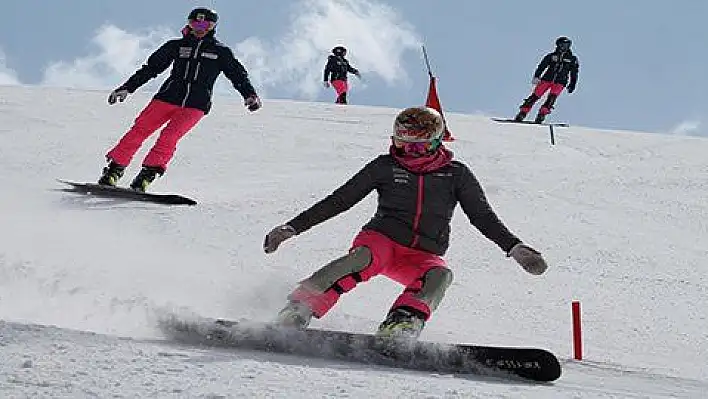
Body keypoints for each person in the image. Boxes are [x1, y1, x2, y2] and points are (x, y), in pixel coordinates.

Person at [263, 106, 548, 339]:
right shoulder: (385, 166)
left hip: (422, 253)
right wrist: (293, 227)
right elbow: (340, 200)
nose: (405, 153)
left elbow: (482, 216)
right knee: (361, 259)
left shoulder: (455, 174)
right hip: (382, 240)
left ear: (436, 142)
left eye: (415, 147)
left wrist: (515, 248)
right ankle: (297, 310)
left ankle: (401, 325)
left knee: (439, 276)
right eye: (401, 144)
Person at [98, 7, 262, 191]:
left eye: (205, 24)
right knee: (139, 131)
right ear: (189, 24)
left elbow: (237, 75)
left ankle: (146, 177)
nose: (199, 27)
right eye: (195, 23)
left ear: (212, 26)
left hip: (195, 105)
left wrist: (250, 95)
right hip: (166, 98)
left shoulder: (220, 51)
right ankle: (114, 171)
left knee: (169, 137)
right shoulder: (175, 46)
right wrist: (127, 88)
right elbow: (150, 69)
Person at [515, 36, 579, 124]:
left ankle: (541, 115)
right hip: (546, 79)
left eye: (566, 45)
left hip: (560, 82)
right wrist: (537, 76)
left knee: (551, 99)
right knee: (535, 96)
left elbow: (574, 72)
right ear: (558, 45)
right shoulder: (551, 56)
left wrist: (572, 84)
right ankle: (522, 113)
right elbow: (542, 66)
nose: (564, 47)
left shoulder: (572, 59)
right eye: (562, 45)